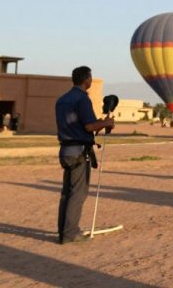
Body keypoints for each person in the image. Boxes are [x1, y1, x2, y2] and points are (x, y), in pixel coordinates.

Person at [55, 66, 115, 244]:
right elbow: (89, 126)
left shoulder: (62, 100)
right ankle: (71, 233)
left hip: (65, 151)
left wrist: (101, 123)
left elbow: (80, 126)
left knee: (67, 193)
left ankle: (64, 231)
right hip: (79, 151)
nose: (91, 80)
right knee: (78, 194)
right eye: (90, 77)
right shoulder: (82, 99)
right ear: (86, 80)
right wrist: (106, 123)